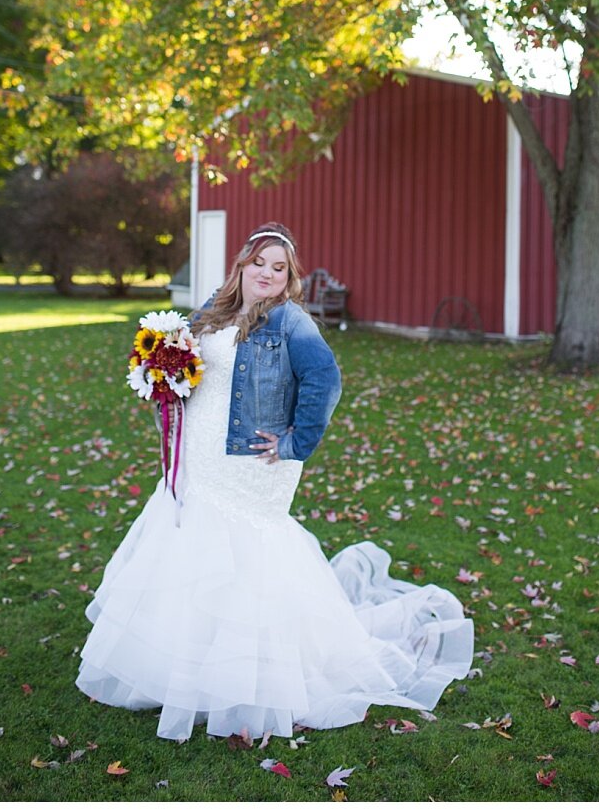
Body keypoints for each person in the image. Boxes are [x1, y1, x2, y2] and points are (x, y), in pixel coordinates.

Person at [76, 222, 474, 743]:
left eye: (278, 268)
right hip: (198, 454)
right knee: (190, 555)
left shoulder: (291, 322)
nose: (267, 273)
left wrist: (293, 443)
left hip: (251, 462)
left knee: (245, 560)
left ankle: (246, 680)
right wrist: (160, 378)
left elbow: (325, 379)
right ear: (241, 266)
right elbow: (186, 378)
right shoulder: (206, 316)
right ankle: (183, 672)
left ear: (289, 280)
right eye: (259, 263)